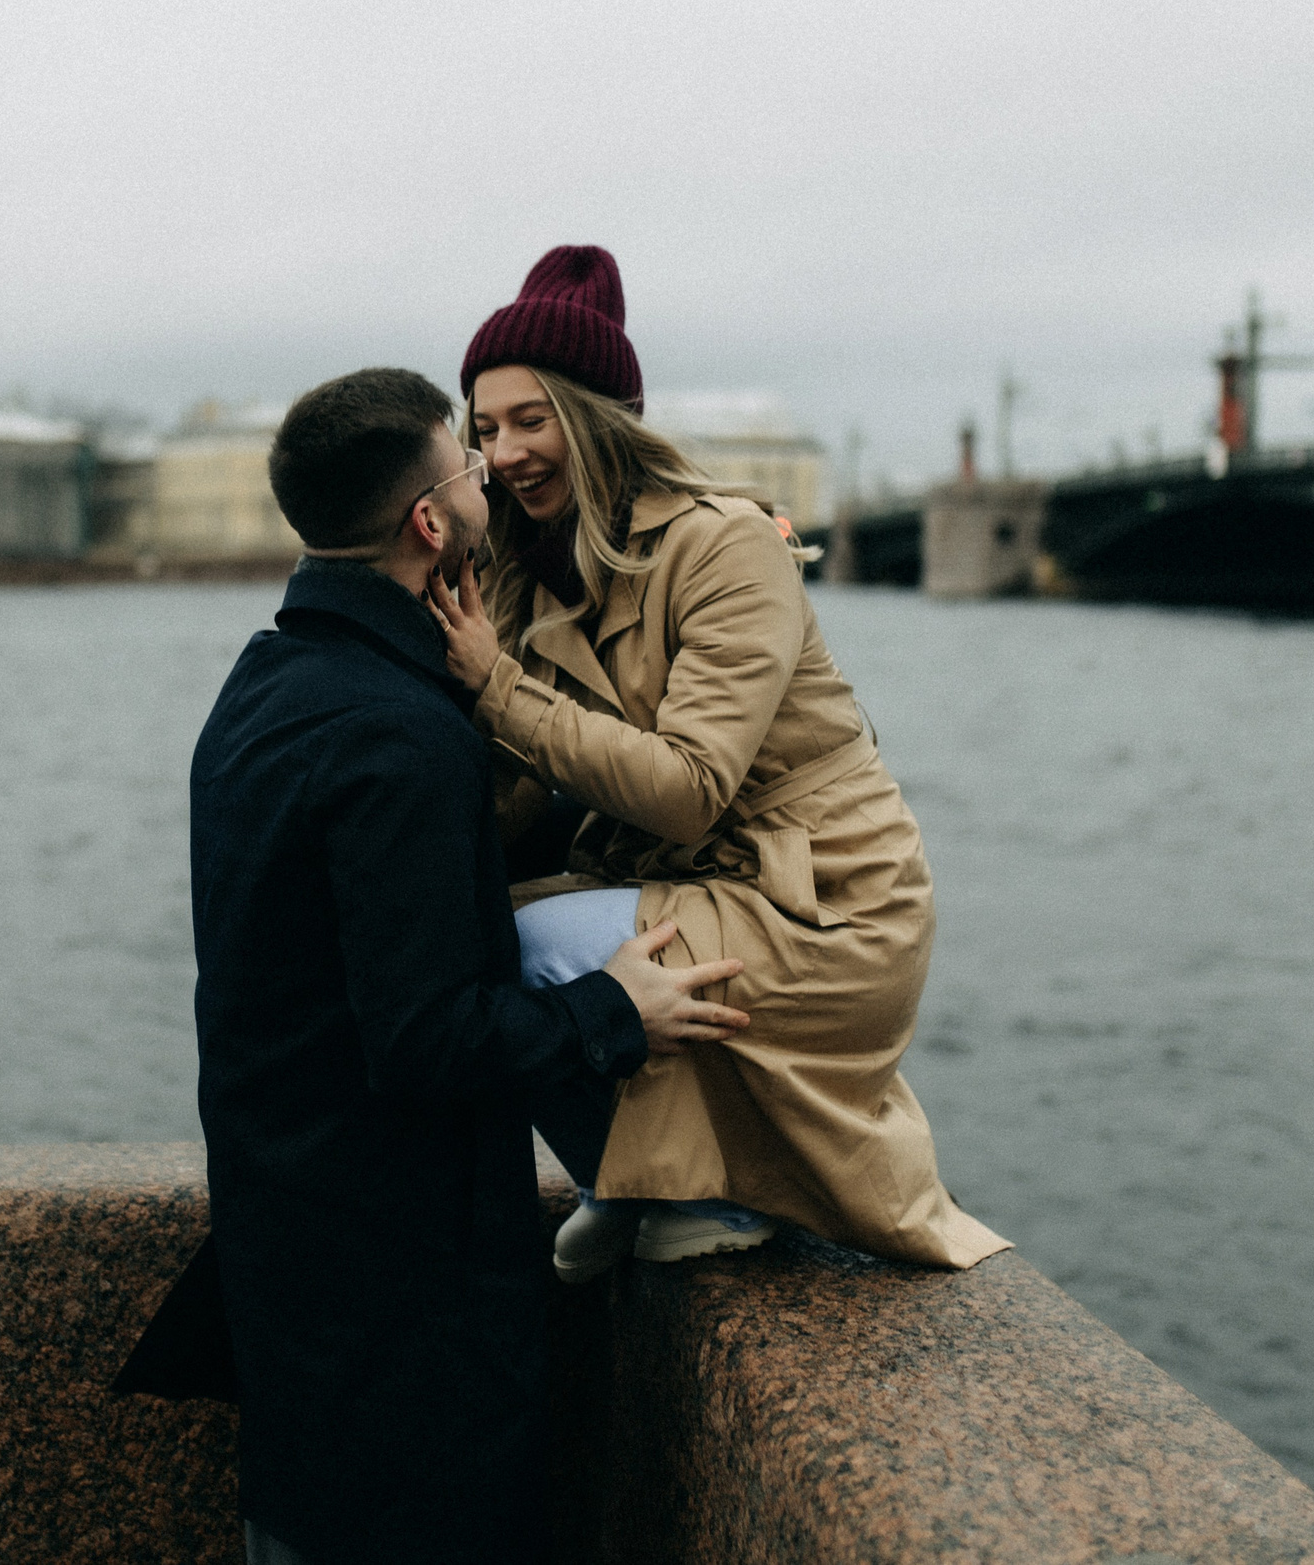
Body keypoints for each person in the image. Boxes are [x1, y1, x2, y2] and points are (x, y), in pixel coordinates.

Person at [187, 367, 751, 1565]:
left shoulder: (271, 686)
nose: (492, 470)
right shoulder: (391, 734)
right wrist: (612, 1010)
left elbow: (396, 910)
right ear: (429, 523)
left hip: (292, 1246)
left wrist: (725, 551)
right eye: (466, 462)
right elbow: (425, 1037)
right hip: (403, 1298)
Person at [427, 246, 1011, 1278]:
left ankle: (699, 1187)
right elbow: (518, 787)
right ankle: (634, 1173)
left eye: (532, 418)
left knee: (524, 952)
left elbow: (689, 790)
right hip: (702, 890)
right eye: (483, 428)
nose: (505, 450)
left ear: (598, 417)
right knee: (462, 937)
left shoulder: (722, 546)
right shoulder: (523, 569)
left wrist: (492, 686)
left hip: (825, 906)